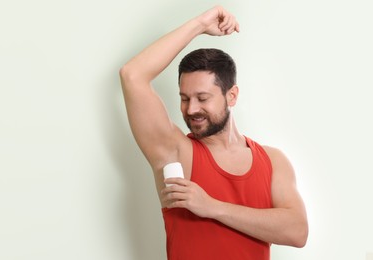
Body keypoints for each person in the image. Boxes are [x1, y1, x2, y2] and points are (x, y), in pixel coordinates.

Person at [119, 5, 308, 260]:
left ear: (232, 96)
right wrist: (199, 25)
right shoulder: (175, 152)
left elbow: (297, 232)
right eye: (184, 98)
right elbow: (132, 75)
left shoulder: (273, 161)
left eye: (202, 98)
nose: (191, 109)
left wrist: (212, 207)